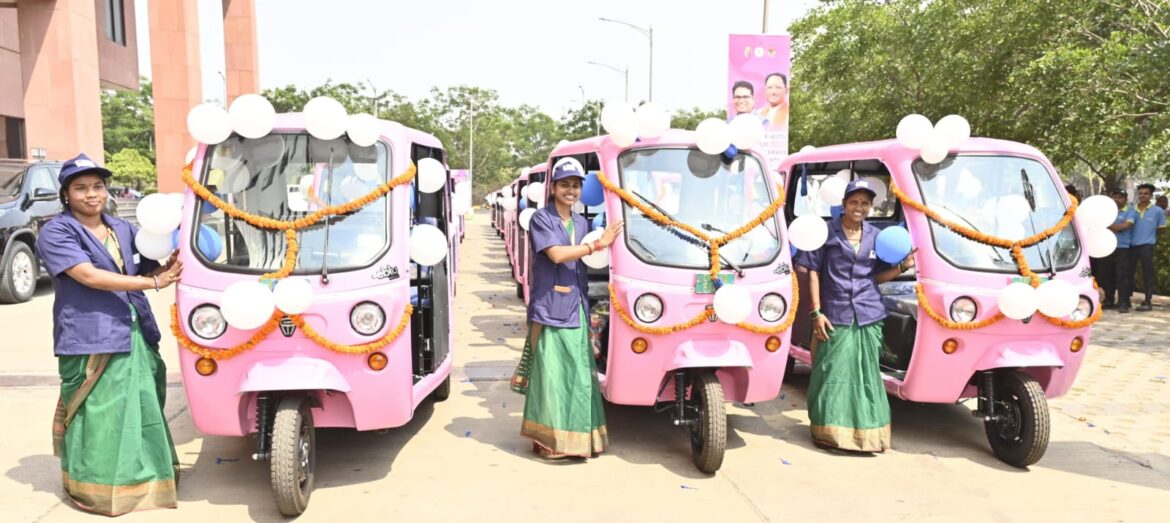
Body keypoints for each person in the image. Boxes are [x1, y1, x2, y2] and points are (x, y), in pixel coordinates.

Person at [34, 153, 184, 516]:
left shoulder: (123, 228)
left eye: (98, 186)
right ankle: (97, 489)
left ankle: (147, 479)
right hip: (91, 335)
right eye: (81, 188)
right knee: (100, 415)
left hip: (134, 329)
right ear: (66, 194)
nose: (91, 194)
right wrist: (152, 281)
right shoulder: (57, 231)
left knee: (140, 409)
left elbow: (151, 261)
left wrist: (170, 261)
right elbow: (87, 275)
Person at [797, 179, 915, 452]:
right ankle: (829, 433)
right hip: (834, 313)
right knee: (831, 372)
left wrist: (901, 266)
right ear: (844, 205)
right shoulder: (826, 233)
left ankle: (869, 436)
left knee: (866, 374)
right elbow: (813, 272)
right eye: (854, 202)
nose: (859, 207)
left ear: (871, 207)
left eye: (865, 203)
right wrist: (816, 313)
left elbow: (877, 277)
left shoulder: (876, 236)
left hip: (868, 313)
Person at [519, 158, 622, 459]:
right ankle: (549, 441)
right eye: (565, 184)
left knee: (577, 373)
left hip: (577, 304)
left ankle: (579, 440)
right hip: (551, 306)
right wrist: (598, 245)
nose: (571, 190)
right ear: (552, 188)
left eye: (576, 185)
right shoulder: (542, 219)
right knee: (552, 375)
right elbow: (557, 254)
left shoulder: (581, 223)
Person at [1126, 183, 1167, 311]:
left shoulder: (1157, 211)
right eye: (1141, 193)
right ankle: (1125, 300)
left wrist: (1150, 235)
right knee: (1128, 273)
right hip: (1131, 246)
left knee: (1147, 274)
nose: (1142, 196)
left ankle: (1147, 301)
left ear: (1150, 195)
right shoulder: (1131, 209)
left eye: (1146, 193)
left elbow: (1162, 229)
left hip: (1147, 246)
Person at [1101, 189, 1136, 312]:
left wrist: (1106, 223)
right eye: (1114, 196)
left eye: (1120, 197)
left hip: (1123, 248)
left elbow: (1123, 227)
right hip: (1106, 248)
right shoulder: (1106, 211)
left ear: (1126, 200)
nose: (1117, 199)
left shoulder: (1131, 211)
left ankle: (1123, 302)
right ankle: (1109, 300)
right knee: (1106, 275)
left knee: (1123, 276)